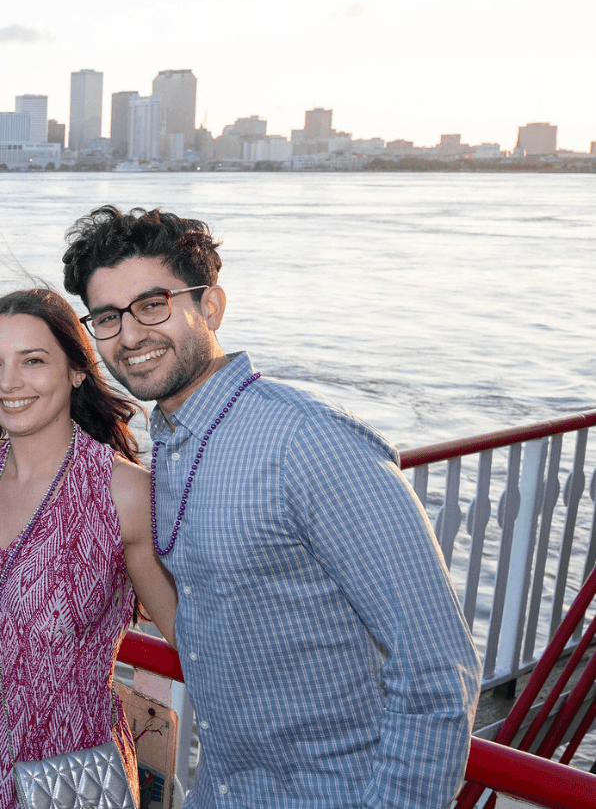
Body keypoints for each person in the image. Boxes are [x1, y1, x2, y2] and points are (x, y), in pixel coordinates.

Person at [60, 206, 478, 807]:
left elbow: (438, 670)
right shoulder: (174, 448)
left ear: (210, 307)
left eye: (153, 305)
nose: (129, 336)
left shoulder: (309, 443)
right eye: (106, 318)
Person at [0, 289, 177, 808]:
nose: (9, 382)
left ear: (77, 371)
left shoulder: (121, 491)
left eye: (33, 360)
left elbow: (188, 634)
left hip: (69, 772)